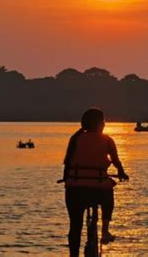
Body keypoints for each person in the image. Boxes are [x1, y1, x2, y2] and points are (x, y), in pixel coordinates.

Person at [62, 108, 129, 257]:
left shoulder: (75, 138)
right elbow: (116, 161)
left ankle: (73, 255)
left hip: (75, 190)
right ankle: (105, 230)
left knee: (75, 226)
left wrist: (67, 179)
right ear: (100, 124)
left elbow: (67, 164)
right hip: (98, 190)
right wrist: (121, 173)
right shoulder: (107, 140)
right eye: (103, 121)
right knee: (109, 190)